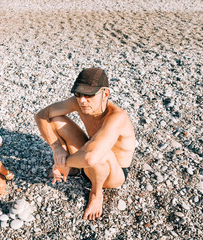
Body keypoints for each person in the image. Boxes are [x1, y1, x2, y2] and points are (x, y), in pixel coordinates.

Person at [34, 68, 136, 220]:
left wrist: (62, 163)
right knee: (56, 120)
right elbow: (41, 115)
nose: (82, 100)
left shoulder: (117, 117)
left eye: (88, 95)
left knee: (101, 153)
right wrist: (56, 148)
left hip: (113, 173)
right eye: (78, 94)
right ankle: (76, 169)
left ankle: (96, 193)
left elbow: (91, 158)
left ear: (105, 94)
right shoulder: (80, 102)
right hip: (90, 154)